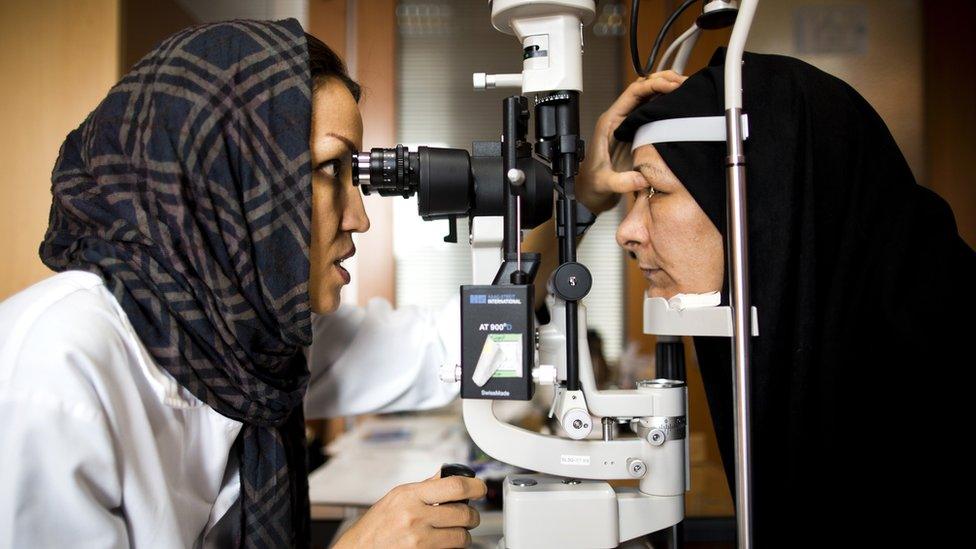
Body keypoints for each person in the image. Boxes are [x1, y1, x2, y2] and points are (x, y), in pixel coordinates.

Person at [0, 20, 483, 548]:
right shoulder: (55, 365)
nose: (359, 217)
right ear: (225, 175)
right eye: (328, 169)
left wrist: (572, 197)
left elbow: (457, 342)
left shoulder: (252, 338)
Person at [578, 49, 976, 544]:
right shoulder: (788, 318)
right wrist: (584, 195)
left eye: (654, 192)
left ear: (762, 196)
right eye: (628, 198)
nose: (628, 232)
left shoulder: (941, 364)